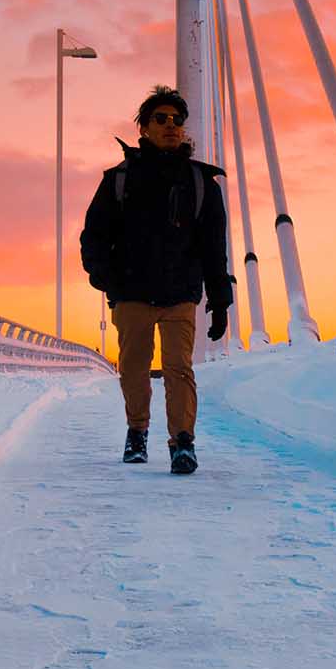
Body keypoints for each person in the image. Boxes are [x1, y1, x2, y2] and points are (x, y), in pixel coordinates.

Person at [80, 85, 234, 474]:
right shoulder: (119, 179)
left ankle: (183, 443)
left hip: (180, 291)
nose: (170, 125)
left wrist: (219, 302)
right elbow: (94, 234)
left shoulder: (202, 184)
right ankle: (137, 432)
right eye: (160, 119)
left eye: (177, 120)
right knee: (134, 367)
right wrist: (105, 278)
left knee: (179, 368)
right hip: (130, 292)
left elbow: (214, 248)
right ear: (144, 128)